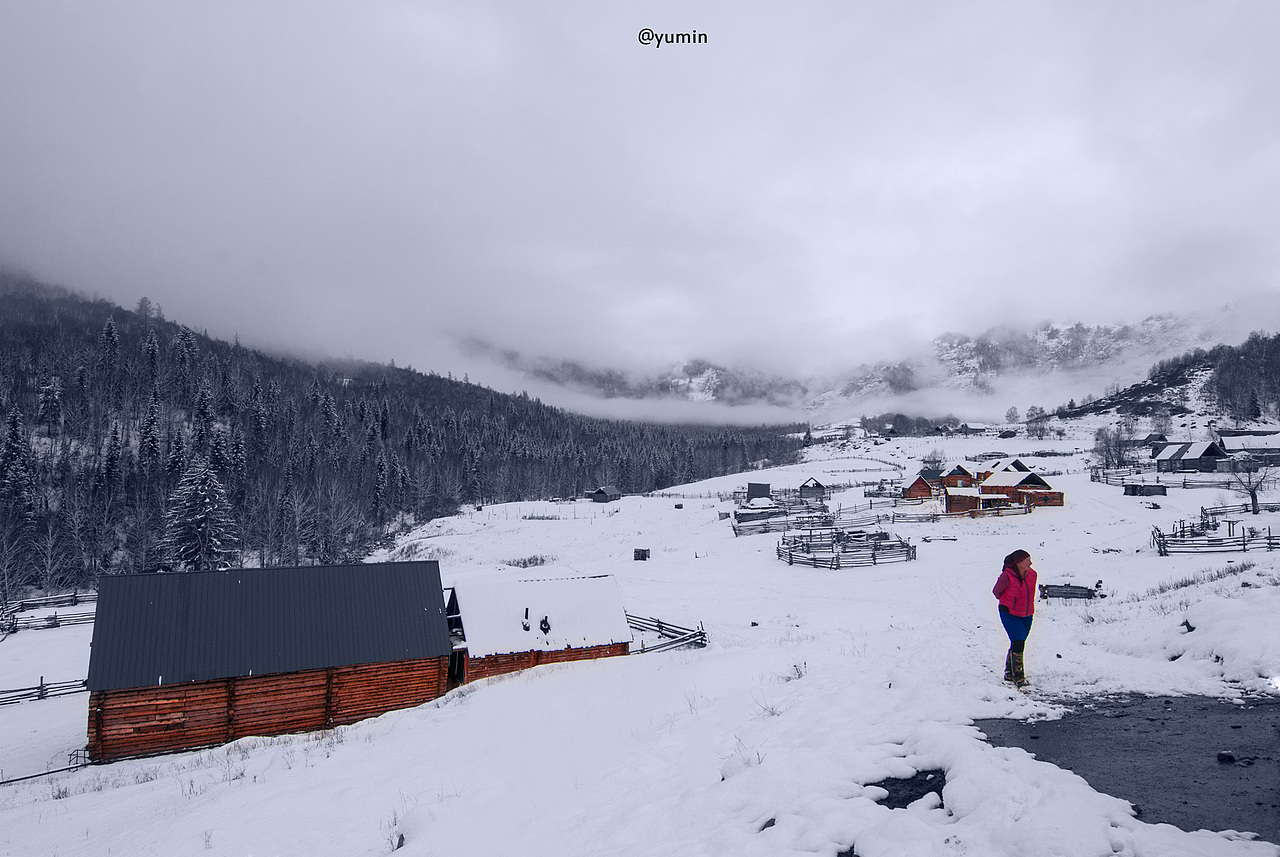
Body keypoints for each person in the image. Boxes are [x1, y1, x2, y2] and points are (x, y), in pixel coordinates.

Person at [993, 549, 1036, 687]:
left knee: (1018, 641)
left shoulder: (1033, 575)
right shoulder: (1007, 576)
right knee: (1018, 641)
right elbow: (996, 592)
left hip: (1027, 614)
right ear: (1018, 563)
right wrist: (1010, 603)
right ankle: (1019, 676)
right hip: (1009, 614)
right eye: (1027, 560)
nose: (1030, 563)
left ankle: (1009, 672)